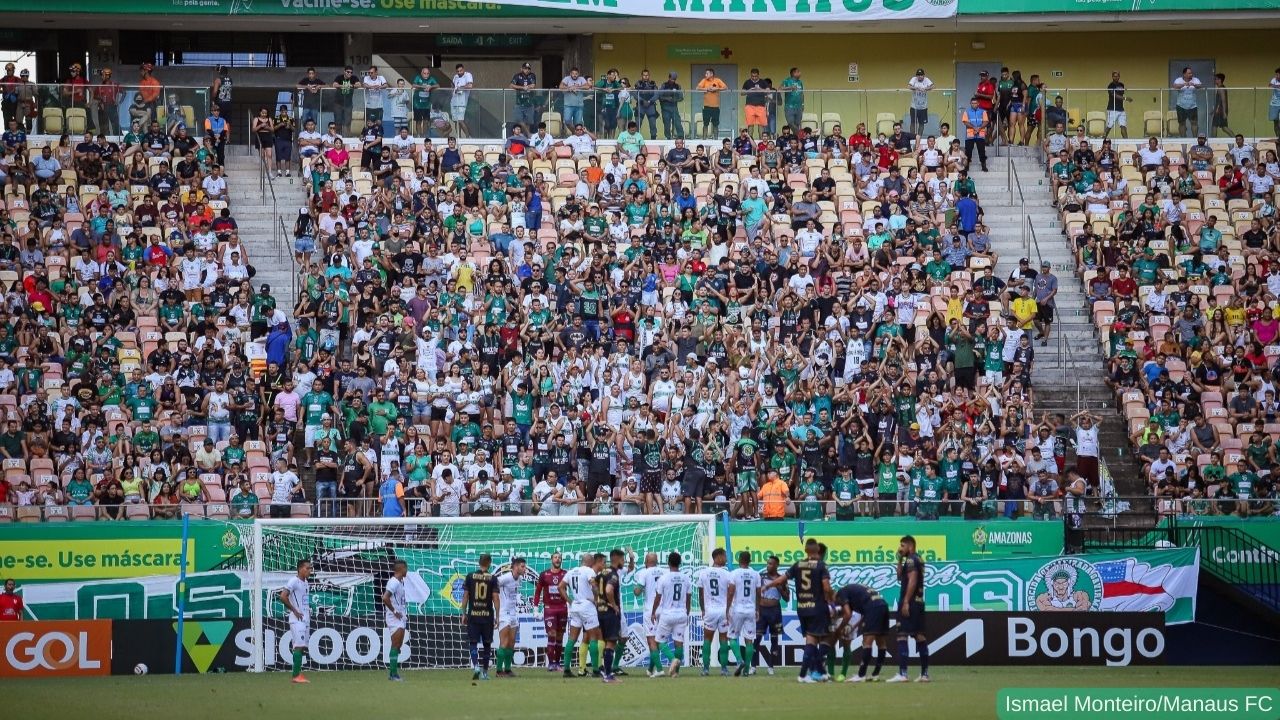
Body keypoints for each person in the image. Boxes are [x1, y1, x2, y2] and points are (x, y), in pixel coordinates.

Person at [766, 538, 832, 683]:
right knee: (825, 638)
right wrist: (831, 601)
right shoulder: (820, 566)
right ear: (817, 551)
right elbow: (826, 587)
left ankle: (811, 673)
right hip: (817, 608)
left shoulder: (798, 565)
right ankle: (813, 672)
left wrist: (767, 586)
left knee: (810, 640)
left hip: (802, 609)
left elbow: (781, 580)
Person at [887, 535, 928, 683]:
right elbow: (900, 577)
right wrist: (899, 560)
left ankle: (903, 674)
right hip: (918, 602)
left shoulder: (911, 560)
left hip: (909, 602)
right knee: (919, 636)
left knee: (902, 635)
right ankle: (924, 674)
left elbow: (913, 580)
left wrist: (905, 602)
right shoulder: (916, 559)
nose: (900, 548)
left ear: (910, 546)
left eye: (902, 546)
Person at [833, 582, 891, 683]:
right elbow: (863, 613)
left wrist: (839, 630)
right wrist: (853, 626)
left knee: (866, 642)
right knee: (881, 643)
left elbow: (848, 615)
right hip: (882, 605)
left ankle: (861, 675)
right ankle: (875, 674)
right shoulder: (854, 594)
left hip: (873, 608)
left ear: (836, 597)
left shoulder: (841, 593)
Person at [651, 551, 692, 677]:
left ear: (668, 563)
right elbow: (688, 597)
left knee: (659, 641)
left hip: (668, 614)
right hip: (681, 614)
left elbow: (658, 597)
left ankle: (672, 660)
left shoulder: (663, 578)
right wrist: (687, 612)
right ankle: (676, 672)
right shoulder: (686, 578)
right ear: (680, 563)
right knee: (678, 642)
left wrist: (653, 612)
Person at [559, 551, 600, 678]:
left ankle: (566, 669)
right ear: (590, 562)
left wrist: (570, 601)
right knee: (593, 638)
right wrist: (597, 599)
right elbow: (594, 585)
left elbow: (560, 587)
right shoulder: (589, 571)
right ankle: (596, 670)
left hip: (575, 606)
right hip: (587, 606)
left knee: (572, 638)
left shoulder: (571, 571)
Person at [461, 552, 499, 681]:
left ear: (479, 562)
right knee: (487, 644)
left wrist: (463, 613)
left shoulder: (470, 576)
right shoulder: (492, 578)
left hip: (473, 615)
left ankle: (476, 666)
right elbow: (496, 598)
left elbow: (465, 596)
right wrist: (498, 617)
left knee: (473, 642)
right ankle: (484, 673)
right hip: (487, 616)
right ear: (489, 563)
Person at [697, 547, 732, 676]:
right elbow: (730, 593)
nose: (726, 559)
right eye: (724, 556)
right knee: (724, 640)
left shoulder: (703, 573)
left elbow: (700, 594)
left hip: (710, 611)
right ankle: (724, 669)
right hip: (723, 610)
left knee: (707, 640)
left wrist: (702, 609)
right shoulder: (727, 574)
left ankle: (705, 669)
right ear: (718, 557)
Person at [724, 550, 758, 676]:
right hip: (750, 610)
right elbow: (759, 592)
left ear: (739, 560)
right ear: (750, 561)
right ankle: (747, 669)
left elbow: (731, 592)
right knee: (749, 640)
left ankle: (739, 661)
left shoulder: (734, 574)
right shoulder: (755, 574)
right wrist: (757, 609)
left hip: (737, 609)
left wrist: (727, 609)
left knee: (732, 637)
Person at [592, 550, 624, 682]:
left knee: (606, 643)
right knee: (611, 643)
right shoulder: (613, 574)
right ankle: (609, 675)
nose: (624, 562)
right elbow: (609, 590)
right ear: (618, 559)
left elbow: (594, 584)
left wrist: (598, 600)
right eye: (623, 559)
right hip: (610, 613)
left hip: (600, 611)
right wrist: (614, 605)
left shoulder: (602, 573)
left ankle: (606, 673)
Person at [632, 552, 666, 677]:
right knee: (657, 641)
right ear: (656, 561)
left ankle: (660, 669)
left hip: (650, 610)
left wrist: (635, 588)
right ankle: (650, 669)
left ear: (646, 562)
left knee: (651, 640)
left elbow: (637, 592)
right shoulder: (665, 572)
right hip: (663, 610)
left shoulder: (644, 573)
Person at [534, 551, 569, 671]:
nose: (557, 559)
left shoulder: (566, 574)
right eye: (555, 557)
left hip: (563, 608)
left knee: (560, 636)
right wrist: (535, 608)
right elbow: (538, 591)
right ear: (551, 560)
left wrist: (573, 604)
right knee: (551, 635)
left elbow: (573, 590)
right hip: (549, 609)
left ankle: (558, 663)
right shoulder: (544, 574)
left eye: (559, 558)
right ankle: (551, 663)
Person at [279, 558, 312, 684]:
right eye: (307, 568)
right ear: (300, 569)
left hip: (305, 619)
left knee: (302, 647)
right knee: (298, 646)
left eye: (310, 568)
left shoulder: (306, 582)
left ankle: (298, 673)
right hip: (296, 620)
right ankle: (295, 675)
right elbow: (282, 596)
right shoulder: (294, 581)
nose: (310, 570)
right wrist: (294, 610)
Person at [495, 556, 526, 677]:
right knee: (504, 642)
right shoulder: (506, 577)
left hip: (513, 613)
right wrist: (496, 600)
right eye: (522, 566)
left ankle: (507, 669)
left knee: (512, 643)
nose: (524, 569)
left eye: (525, 567)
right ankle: (498, 671)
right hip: (503, 613)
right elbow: (494, 583)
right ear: (515, 567)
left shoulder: (519, 579)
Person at [382, 559, 409, 681]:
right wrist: (394, 611)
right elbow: (385, 597)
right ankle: (393, 674)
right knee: (395, 645)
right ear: (402, 568)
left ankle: (393, 673)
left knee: (398, 646)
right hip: (394, 618)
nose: (407, 571)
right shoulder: (393, 583)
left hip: (400, 617)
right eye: (406, 568)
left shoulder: (399, 582)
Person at [696, 68, 728, 140]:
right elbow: (697, 88)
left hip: (715, 107)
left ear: (711, 74)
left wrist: (716, 89)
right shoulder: (704, 80)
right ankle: (704, 139)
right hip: (706, 106)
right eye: (705, 74)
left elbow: (725, 87)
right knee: (705, 123)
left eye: (707, 74)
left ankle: (716, 139)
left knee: (715, 124)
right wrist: (706, 89)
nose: (705, 75)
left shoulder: (717, 80)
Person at [962, 96, 989, 172]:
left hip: (980, 134)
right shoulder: (967, 112)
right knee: (968, 151)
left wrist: (979, 128)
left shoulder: (983, 111)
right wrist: (974, 128)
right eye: (972, 103)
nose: (974, 104)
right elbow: (965, 122)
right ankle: (967, 165)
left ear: (978, 104)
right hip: (970, 135)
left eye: (975, 103)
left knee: (982, 151)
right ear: (970, 103)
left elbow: (986, 121)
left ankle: (983, 165)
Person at [1173, 66, 1202, 137]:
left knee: (1194, 122)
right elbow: (1175, 86)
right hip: (1181, 105)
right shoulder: (1179, 80)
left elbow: (1200, 86)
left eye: (1191, 73)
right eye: (1189, 73)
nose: (1191, 75)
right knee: (1182, 123)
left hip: (1192, 106)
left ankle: (1195, 139)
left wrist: (1194, 85)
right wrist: (1183, 84)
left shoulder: (1195, 80)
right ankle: (1183, 139)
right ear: (1184, 74)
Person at [450, 63, 474, 138]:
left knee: (460, 120)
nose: (459, 72)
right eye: (458, 71)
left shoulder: (468, 75)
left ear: (463, 69)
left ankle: (467, 136)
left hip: (462, 102)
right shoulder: (455, 77)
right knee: (456, 121)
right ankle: (458, 137)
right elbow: (453, 86)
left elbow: (470, 86)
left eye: (461, 70)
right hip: (454, 100)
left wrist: (461, 88)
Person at [907, 68, 933, 137]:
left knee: (921, 123)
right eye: (918, 75)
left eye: (921, 75)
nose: (920, 76)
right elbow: (909, 86)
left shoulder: (927, 80)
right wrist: (917, 88)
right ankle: (912, 137)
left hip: (923, 107)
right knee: (913, 123)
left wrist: (925, 89)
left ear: (923, 75)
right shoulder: (914, 79)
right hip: (914, 106)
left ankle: (919, 137)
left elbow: (933, 86)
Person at [1104, 71, 1130, 139]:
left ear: (1119, 76)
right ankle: (1102, 140)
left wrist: (1124, 98)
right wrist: (1125, 98)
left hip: (1121, 109)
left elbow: (1121, 93)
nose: (1116, 77)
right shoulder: (1110, 85)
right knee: (1109, 126)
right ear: (1112, 77)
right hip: (1112, 109)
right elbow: (1114, 95)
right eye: (1114, 76)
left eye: (1117, 76)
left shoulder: (1121, 85)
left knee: (1123, 125)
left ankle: (1126, 142)